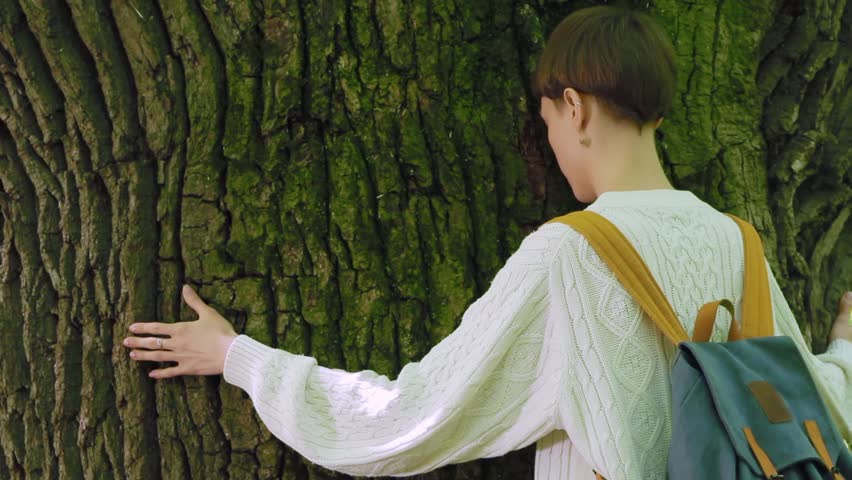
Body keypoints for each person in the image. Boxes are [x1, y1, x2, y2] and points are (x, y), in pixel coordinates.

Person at [122, 5, 852, 479]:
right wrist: (846, 348)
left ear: (575, 108)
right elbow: (822, 407)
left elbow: (409, 417)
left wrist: (238, 357)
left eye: (548, 123)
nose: (553, 145)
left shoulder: (569, 255)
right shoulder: (738, 244)